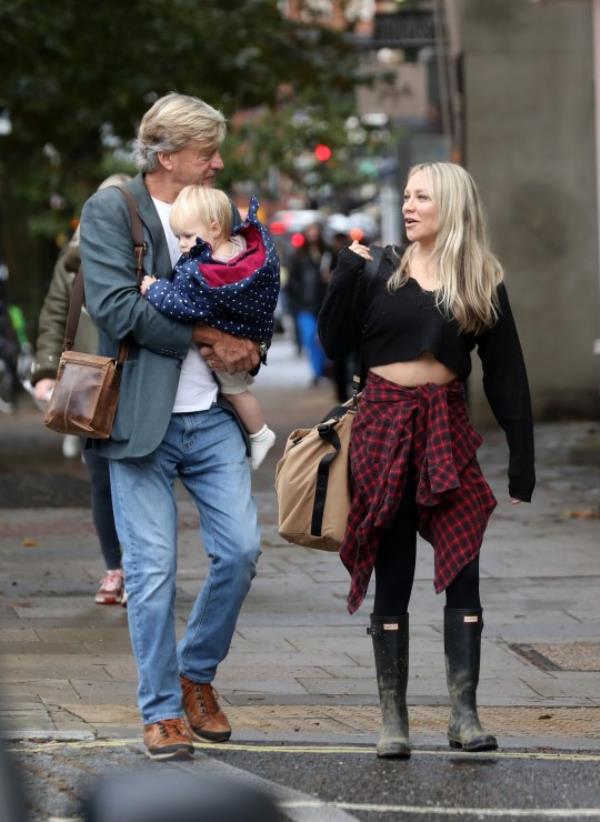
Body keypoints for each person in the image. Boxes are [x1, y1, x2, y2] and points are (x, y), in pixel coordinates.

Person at [318, 162, 534, 759]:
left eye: (423, 197)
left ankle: (464, 715)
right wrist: (342, 275)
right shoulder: (376, 271)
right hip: (383, 429)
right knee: (394, 573)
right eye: (407, 196)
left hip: (445, 428)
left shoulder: (481, 279)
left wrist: (523, 461)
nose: (410, 206)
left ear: (452, 206)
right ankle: (394, 719)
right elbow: (333, 345)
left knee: (465, 567)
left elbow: (507, 375)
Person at [79, 93, 263, 762]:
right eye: (204, 152)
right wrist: (209, 331)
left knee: (241, 552)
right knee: (151, 573)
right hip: (137, 422)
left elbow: (247, 289)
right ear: (165, 156)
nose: (216, 162)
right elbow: (115, 307)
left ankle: (195, 676)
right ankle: (160, 712)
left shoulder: (217, 209)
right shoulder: (113, 210)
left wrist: (246, 340)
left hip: (212, 416)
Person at [31, 174, 130, 606]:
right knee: (102, 480)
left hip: (142, 381)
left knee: (145, 477)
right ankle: (116, 567)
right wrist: (44, 372)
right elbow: (55, 313)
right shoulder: (76, 257)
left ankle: (143, 566)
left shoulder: (150, 251)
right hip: (92, 381)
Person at [140, 185, 278, 470]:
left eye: (188, 236)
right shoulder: (245, 251)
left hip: (233, 343)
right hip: (253, 331)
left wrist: (155, 289)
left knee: (234, 390)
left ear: (214, 228)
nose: (182, 244)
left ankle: (260, 433)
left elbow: (184, 306)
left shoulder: (207, 273)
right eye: (178, 237)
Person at [286, 222, 329, 385]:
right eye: (310, 231)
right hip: (305, 305)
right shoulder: (298, 256)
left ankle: (323, 369)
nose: (313, 234)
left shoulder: (327, 253)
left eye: (315, 230)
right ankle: (317, 372)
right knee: (310, 337)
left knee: (323, 339)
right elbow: (291, 282)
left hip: (323, 304)